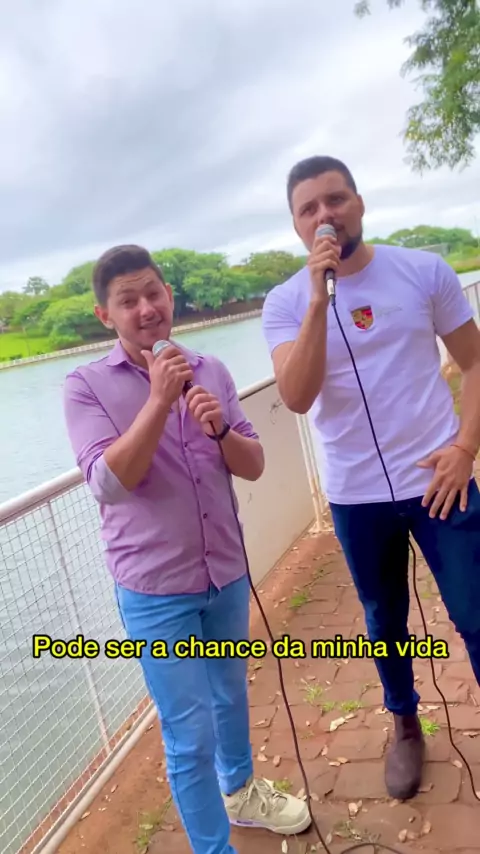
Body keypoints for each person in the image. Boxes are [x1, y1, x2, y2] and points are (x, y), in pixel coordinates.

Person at [62, 244, 311, 854]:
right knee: (189, 732)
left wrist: (219, 429)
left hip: (224, 574)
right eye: (128, 300)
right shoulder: (85, 386)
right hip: (154, 591)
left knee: (230, 696)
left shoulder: (212, 370)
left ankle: (243, 794)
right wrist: (158, 400)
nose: (146, 308)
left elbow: (253, 463)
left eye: (153, 293)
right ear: (105, 315)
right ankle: (213, 847)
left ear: (169, 296)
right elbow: (108, 484)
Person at [261, 156, 480, 801]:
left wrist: (465, 447)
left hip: (441, 479)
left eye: (335, 199)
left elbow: (475, 363)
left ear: (358, 202)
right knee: (384, 619)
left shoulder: (423, 271)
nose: (325, 215)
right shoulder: (284, 304)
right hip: (356, 495)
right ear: (297, 226)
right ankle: (405, 723)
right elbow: (296, 396)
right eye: (309, 208)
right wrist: (317, 301)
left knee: (475, 608)